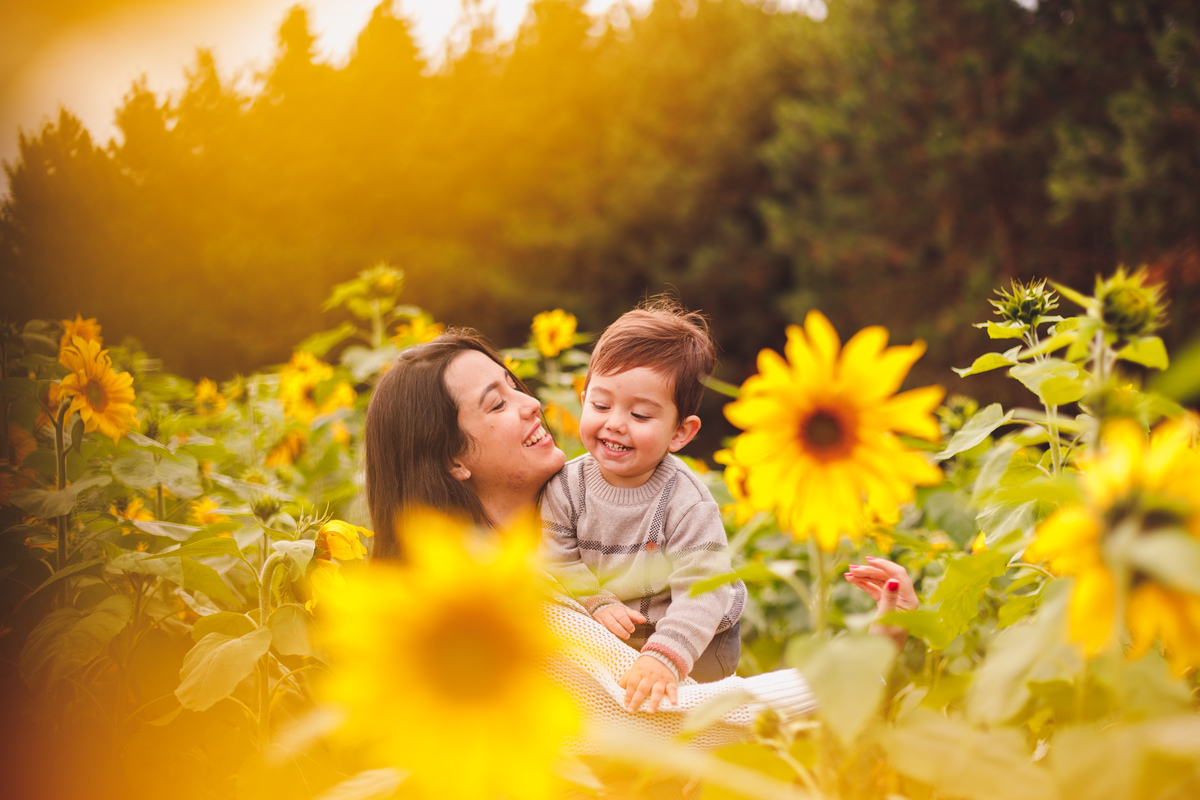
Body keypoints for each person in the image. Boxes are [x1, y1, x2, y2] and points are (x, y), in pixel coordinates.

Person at [364, 329, 917, 745]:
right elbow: (669, 720)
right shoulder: (491, 598)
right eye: (496, 402)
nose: (530, 402)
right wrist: (869, 658)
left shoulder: (583, 509)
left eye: (512, 384)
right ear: (453, 459)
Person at [540, 300, 745, 717]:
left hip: (700, 634)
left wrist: (666, 656)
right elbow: (556, 558)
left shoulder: (686, 501)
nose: (615, 423)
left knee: (692, 716)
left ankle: (695, 763)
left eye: (639, 414)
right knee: (622, 710)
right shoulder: (565, 487)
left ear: (680, 433)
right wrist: (595, 601)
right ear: (583, 399)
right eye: (600, 406)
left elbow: (704, 588)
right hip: (623, 620)